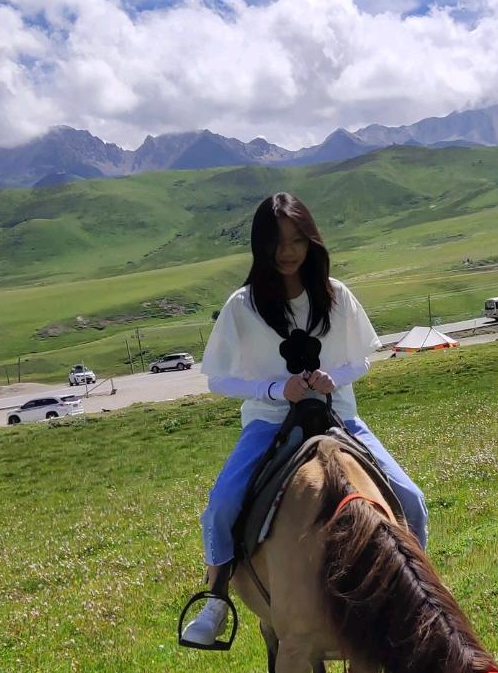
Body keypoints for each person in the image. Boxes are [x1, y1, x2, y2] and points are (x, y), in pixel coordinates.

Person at [181, 192, 429, 648]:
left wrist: (333, 378)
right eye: (277, 242)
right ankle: (216, 600)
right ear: (261, 246)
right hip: (268, 423)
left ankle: (418, 599)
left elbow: (363, 361)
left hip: (339, 419)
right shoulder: (243, 306)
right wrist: (275, 390)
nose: (288, 251)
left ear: (311, 240)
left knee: (411, 499)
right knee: (221, 505)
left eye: (296, 240)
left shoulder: (337, 296)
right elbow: (217, 379)